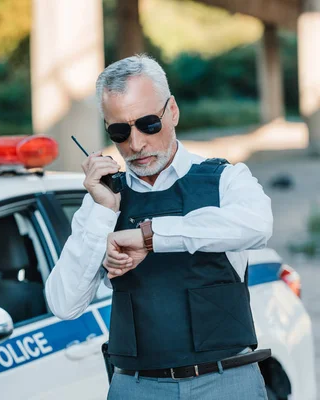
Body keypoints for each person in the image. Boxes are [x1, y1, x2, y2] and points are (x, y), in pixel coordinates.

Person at [44, 54, 273, 400]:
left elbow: (258, 224)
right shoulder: (104, 200)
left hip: (226, 381)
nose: (135, 144)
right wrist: (103, 211)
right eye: (120, 131)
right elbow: (64, 304)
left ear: (173, 112)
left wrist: (149, 237)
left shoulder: (224, 179)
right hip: (137, 386)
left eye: (148, 123)